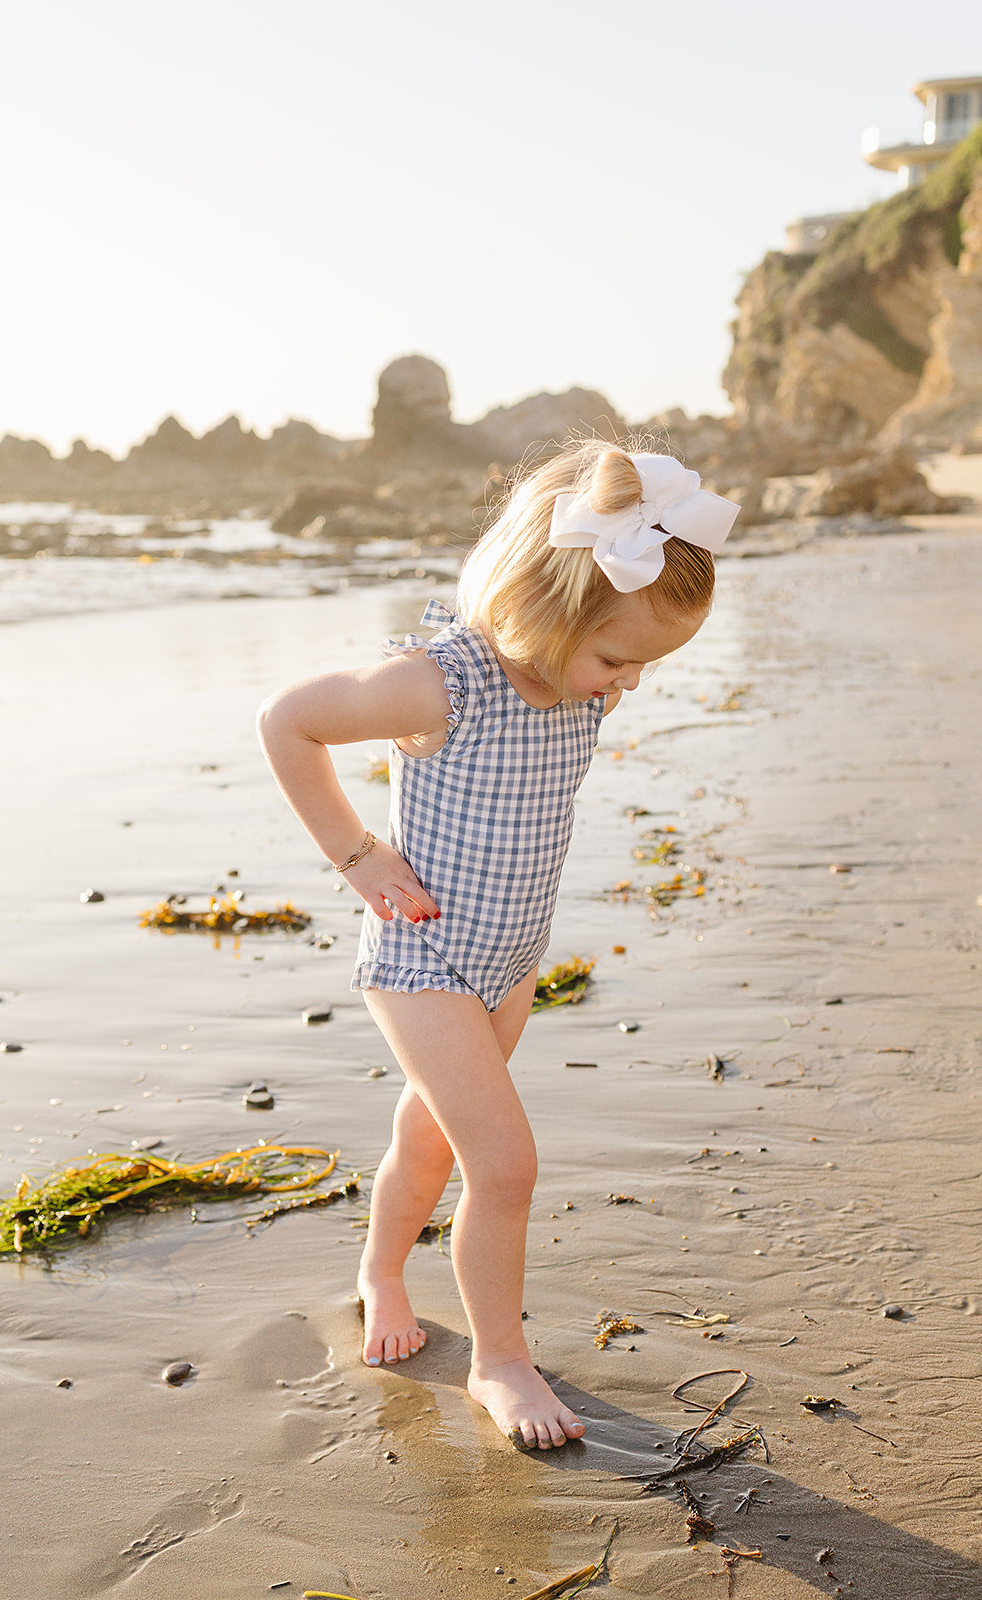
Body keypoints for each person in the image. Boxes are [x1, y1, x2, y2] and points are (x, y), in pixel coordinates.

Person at [257, 441, 738, 1450]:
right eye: (617, 657)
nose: (631, 682)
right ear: (547, 607)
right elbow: (288, 720)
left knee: (428, 1140)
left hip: (509, 959)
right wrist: (357, 853)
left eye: (644, 661)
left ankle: (380, 1270)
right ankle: (497, 1360)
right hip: (423, 955)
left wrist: (602, 669)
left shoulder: (578, 686)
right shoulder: (442, 684)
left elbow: (569, 720)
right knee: (504, 1163)